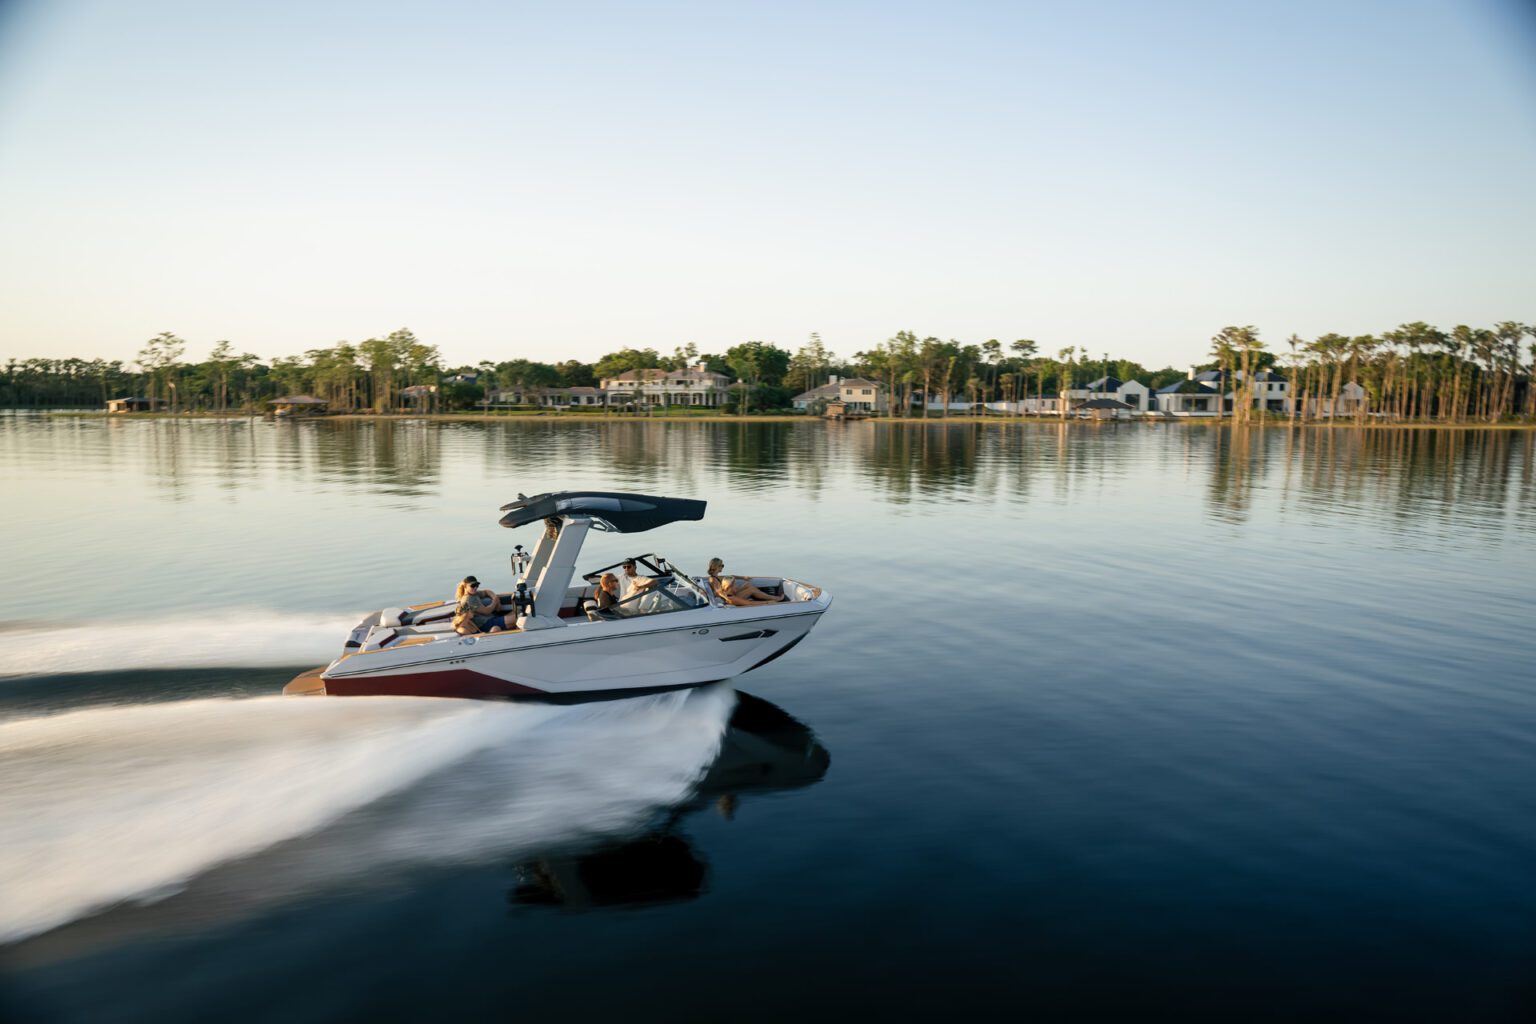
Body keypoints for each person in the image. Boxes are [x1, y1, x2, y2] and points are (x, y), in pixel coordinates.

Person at [706, 557, 787, 606]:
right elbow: (719, 592)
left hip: (728, 594)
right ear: (716, 566)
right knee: (751, 590)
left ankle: (767, 597)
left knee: (747, 584)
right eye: (722, 565)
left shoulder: (716, 576)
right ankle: (776, 598)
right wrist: (729, 598)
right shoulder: (713, 579)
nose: (723, 567)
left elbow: (731, 576)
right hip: (727, 599)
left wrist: (743, 577)